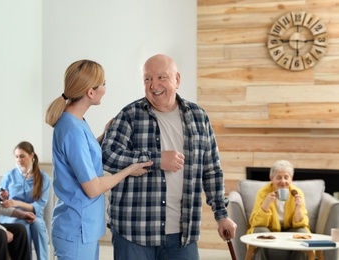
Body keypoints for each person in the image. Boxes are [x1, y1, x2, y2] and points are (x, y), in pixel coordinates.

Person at [101, 54, 237, 260]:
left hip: (183, 234)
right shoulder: (129, 115)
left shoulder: (199, 117)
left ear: (177, 80)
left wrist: (222, 215)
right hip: (134, 231)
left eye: (161, 77)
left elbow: (211, 169)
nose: (154, 85)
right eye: (148, 79)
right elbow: (108, 156)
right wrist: (156, 160)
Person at [45, 59, 153, 260]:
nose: (105, 88)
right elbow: (93, 188)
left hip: (80, 227)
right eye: (103, 84)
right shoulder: (72, 129)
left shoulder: (75, 122)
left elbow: (80, 155)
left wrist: (103, 135)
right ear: (90, 92)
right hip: (76, 228)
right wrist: (129, 169)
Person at [247, 160, 310, 260]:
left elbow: (301, 225)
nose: (283, 181)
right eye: (278, 177)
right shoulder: (263, 193)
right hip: (269, 229)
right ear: (271, 178)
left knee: (302, 232)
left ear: (291, 179)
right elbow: (256, 223)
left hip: (290, 228)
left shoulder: (297, 193)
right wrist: (266, 204)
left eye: (286, 177)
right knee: (259, 231)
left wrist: (298, 208)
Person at [0, 141, 51, 260]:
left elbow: (40, 205)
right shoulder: (9, 175)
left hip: (33, 214)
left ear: (32, 155)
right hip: (12, 215)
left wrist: (17, 203)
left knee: (37, 224)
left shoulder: (43, 178)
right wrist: (5, 197)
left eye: (22, 156)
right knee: (23, 226)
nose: (19, 160)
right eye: (16, 157)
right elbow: (1, 200)